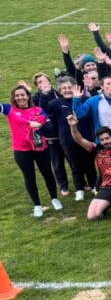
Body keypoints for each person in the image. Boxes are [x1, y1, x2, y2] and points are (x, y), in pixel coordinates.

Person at [2, 79, 62, 217]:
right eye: (17, 95)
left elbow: (51, 128)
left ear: (28, 96)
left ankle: (54, 198)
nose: (20, 97)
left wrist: (39, 126)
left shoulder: (38, 110)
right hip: (22, 151)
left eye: (23, 94)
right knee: (29, 177)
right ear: (14, 98)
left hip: (40, 148)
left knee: (47, 173)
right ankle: (37, 205)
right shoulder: (10, 109)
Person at [66, 114, 111, 221]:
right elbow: (79, 140)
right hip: (105, 187)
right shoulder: (96, 149)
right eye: (102, 139)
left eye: (107, 138)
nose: (105, 141)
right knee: (92, 216)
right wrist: (73, 126)